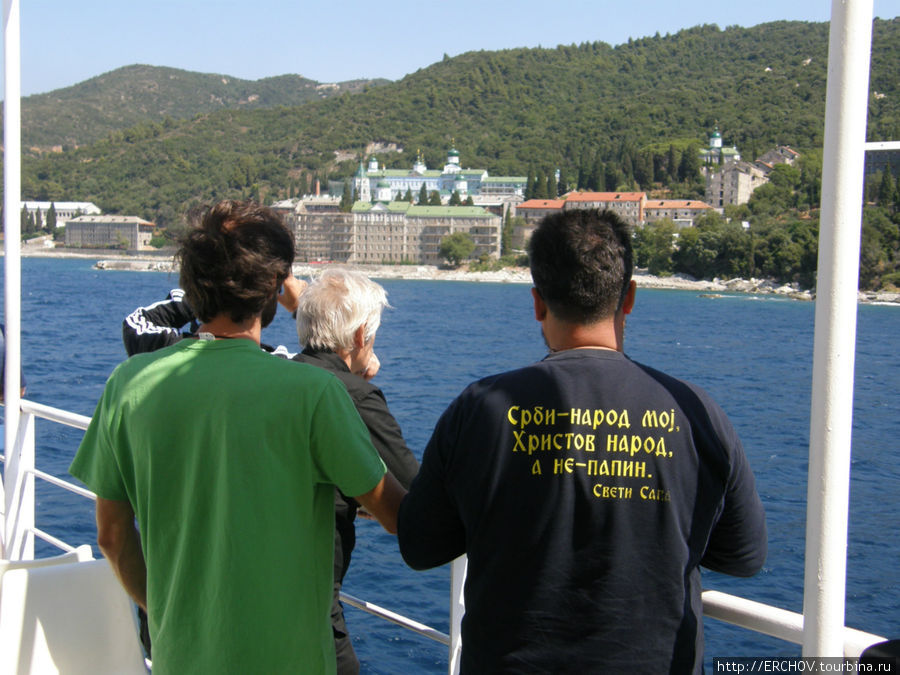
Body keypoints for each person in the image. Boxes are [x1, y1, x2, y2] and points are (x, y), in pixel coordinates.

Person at [397, 209, 767, 673]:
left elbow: (421, 545)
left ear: (537, 302)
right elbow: (744, 556)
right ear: (628, 297)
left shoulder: (479, 408)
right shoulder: (696, 412)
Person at [70, 200, 405, 674]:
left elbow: (111, 535)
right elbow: (392, 512)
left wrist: (163, 611)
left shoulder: (128, 384)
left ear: (193, 285)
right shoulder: (313, 392)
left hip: (179, 655)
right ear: (272, 289)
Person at [293, 268, 419, 674]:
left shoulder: (281, 377)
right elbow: (416, 493)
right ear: (362, 335)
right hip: (312, 603)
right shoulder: (355, 396)